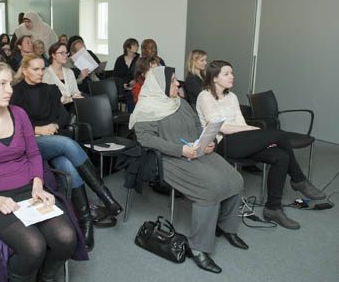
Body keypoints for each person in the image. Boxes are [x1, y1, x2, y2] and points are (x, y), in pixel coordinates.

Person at [0, 62, 86, 281]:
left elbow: (34, 154)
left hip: (27, 188)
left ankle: (46, 276)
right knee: (33, 246)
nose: (10, 90)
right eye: (2, 84)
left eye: (11, 84)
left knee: (66, 237)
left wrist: (37, 183)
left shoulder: (19, 114)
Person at [130, 66, 247, 274]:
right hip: (171, 160)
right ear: (160, 85)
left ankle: (227, 228)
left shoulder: (180, 103)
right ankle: (199, 248)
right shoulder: (146, 108)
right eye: (173, 81)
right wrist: (181, 149)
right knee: (209, 188)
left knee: (235, 179)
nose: (177, 84)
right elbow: (146, 139)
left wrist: (208, 141)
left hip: (197, 151)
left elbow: (197, 125)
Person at [10, 54, 122, 251]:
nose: (40, 73)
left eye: (42, 69)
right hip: (30, 143)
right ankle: (105, 195)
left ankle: (85, 222)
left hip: (52, 139)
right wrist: (38, 130)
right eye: (35, 69)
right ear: (25, 70)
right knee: (68, 144)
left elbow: (63, 116)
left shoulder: (50, 89)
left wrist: (52, 125)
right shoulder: (15, 93)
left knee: (67, 164)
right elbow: (15, 123)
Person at [196, 60, 326, 229]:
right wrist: (254, 131)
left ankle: (273, 208)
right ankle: (298, 179)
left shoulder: (232, 96)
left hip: (242, 140)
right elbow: (223, 128)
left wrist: (257, 139)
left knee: (281, 156)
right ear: (214, 78)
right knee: (279, 135)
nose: (232, 77)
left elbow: (240, 123)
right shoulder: (205, 96)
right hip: (223, 144)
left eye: (232, 73)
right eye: (226, 74)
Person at [42, 42, 83, 109]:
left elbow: (76, 92)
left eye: (66, 53)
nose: (65, 55)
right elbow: (48, 97)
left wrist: (71, 98)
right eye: (62, 53)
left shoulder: (69, 72)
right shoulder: (45, 74)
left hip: (71, 106)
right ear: (53, 55)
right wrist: (65, 99)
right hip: (54, 109)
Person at [113, 38, 140, 112]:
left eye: (137, 45)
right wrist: (122, 84)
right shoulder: (120, 59)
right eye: (134, 45)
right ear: (127, 48)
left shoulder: (139, 59)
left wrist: (135, 81)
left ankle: (131, 115)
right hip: (121, 86)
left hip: (134, 85)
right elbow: (115, 75)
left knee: (132, 93)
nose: (137, 47)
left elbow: (140, 74)